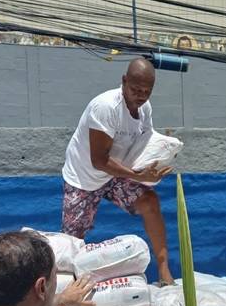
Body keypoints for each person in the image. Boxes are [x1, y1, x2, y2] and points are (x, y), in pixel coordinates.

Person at [61, 58, 174, 285]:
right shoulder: (106, 107)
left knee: (150, 201)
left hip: (118, 173)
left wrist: (164, 154)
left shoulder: (144, 109)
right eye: (135, 89)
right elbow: (99, 160)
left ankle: (164, 271)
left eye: (146, 91)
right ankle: (69, 286)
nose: (140, 96)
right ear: (123, 81)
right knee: (73, 240)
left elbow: (146, 141)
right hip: (85, 176)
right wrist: (138, 176)